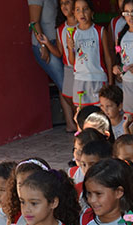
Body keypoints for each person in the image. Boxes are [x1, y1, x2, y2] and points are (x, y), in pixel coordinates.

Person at [66, 0, 113, 107]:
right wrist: (70, 48)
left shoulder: (100, 31)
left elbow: (107, 57)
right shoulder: (72, 33)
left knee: (101, 111)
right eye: (78, 10)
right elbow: (72, 62)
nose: (82, 13)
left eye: (85, 9)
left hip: (98, 78)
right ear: (74, 13)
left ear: (92, 12)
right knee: (82, 112)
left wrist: (110, 81)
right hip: (80, 79)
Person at [29, 0, 67, 124]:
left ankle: (70, 123)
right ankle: (81, 120)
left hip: (58, 41)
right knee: (64, 84)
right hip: (45, 43)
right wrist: (43, 46)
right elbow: (34, 22)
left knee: (63, 83)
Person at [53, 0, 79, 131]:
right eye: (62, 3)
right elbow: (59, 53)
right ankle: (78, 123)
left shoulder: (82, 26)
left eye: (67, 2)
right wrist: (46, 43)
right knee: (68, 95)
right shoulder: (60, 29)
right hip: (68, 68)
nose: (64, 6)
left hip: (82, 69)